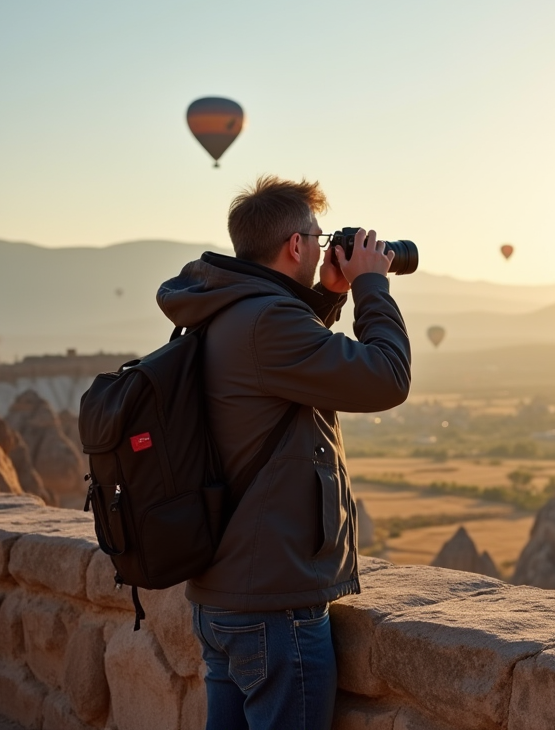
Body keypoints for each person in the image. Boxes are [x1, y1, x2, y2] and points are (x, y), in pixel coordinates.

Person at [157, 176, 411, 729]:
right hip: (274, 603)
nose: (323, 247)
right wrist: (372, 285)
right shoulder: (266, 320)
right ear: (295, 245)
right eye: (317, 237)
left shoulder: (227, 308)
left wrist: (329, 294)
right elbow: (387, 378)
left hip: (227, 593)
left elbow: (289, 367)